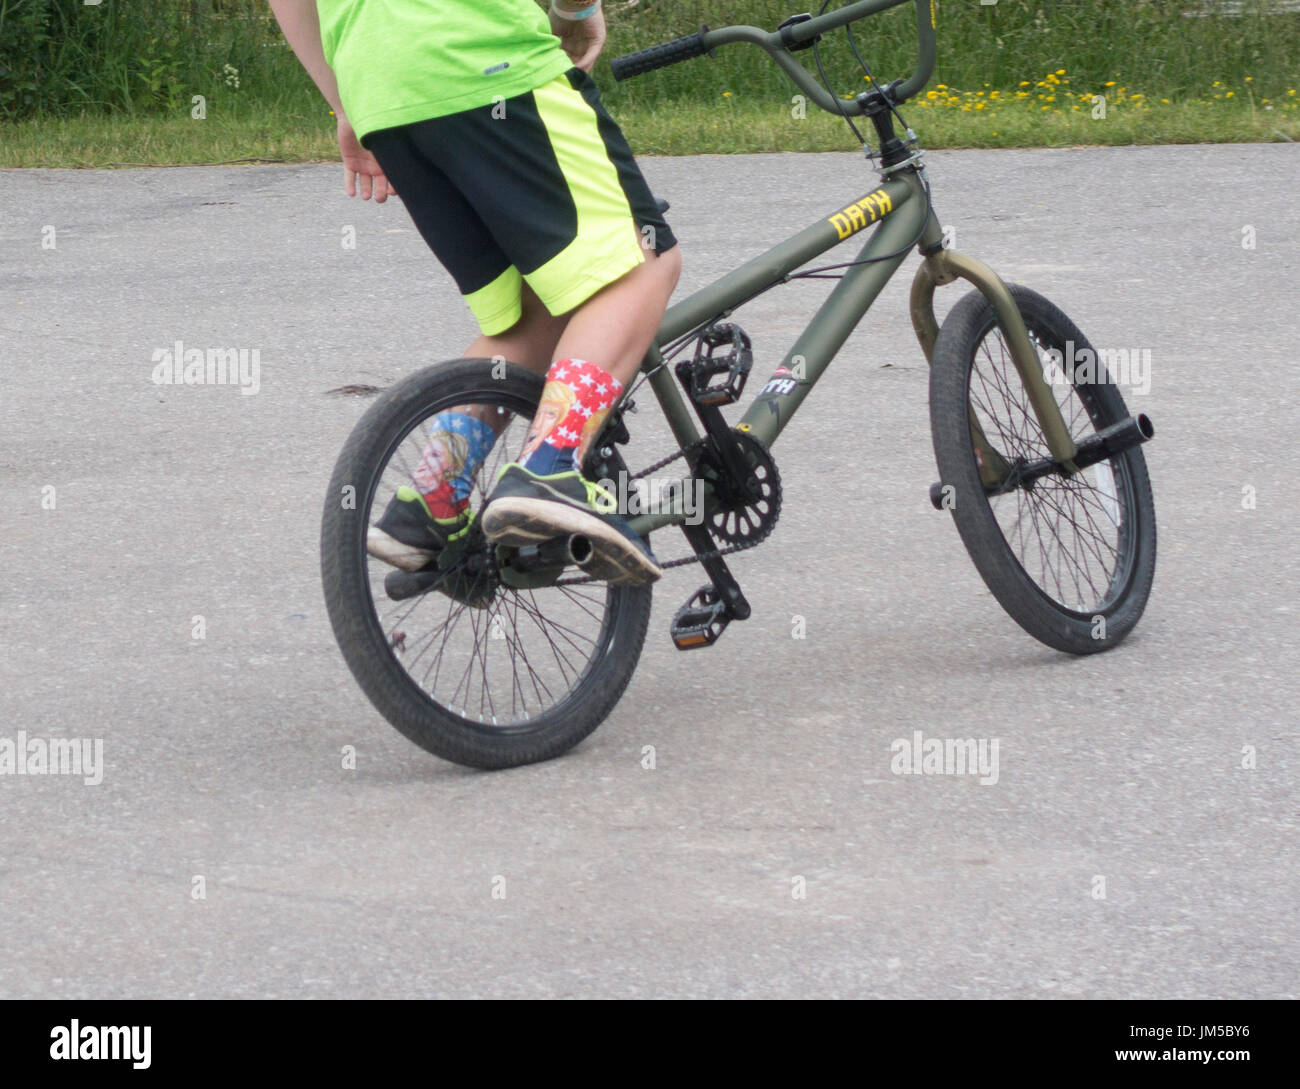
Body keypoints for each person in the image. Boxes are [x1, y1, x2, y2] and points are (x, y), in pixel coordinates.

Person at [269, 0, 681, 585]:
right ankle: (550, 464)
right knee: (644, 263)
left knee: (530, 310)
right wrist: (576, 11)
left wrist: (347, 105)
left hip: (382, 94)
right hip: (485, 66)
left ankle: (433, 496)